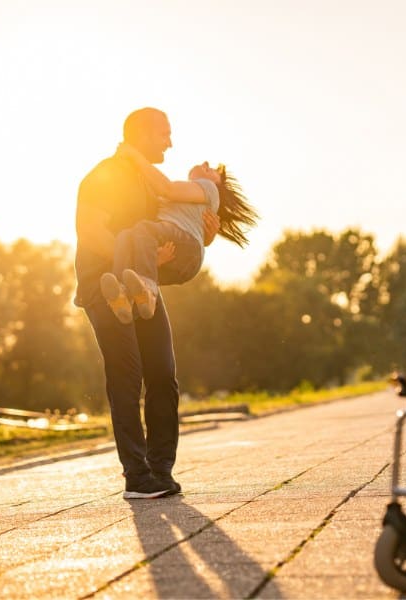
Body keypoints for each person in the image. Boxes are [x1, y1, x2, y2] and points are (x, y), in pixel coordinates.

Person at [74, 107, 219, 499]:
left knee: (163, 374)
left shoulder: (150, 182)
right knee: (128, 374)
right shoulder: (104, 176)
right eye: (164, 134)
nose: (170, 143)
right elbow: (89, 233)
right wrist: (137, 258)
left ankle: (160, 471)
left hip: (142, 284)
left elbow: (170, 232)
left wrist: (202, 236)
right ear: (141, 134)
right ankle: (136, 478)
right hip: (103, 284)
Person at [99, 143, 258, 324]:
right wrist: (154, 260)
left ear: (216, 184)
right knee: (125, 237)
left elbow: (167, 188)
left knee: (144, 229)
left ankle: (148, 291)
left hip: (186, 246)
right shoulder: (184, 200)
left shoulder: (209, 189)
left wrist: (134, 155)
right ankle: (124, 297)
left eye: (213, 170)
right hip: (173, 254)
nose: (207, 163)